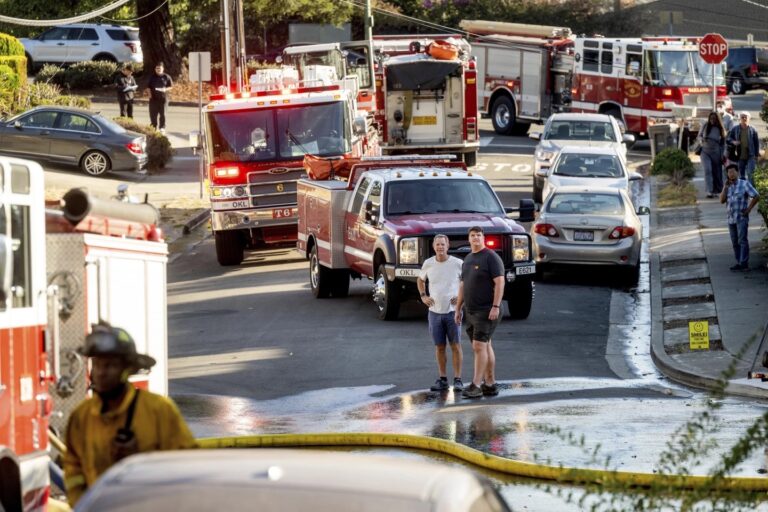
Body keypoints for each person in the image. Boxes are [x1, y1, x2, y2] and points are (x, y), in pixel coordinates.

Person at [63, 323, 196, 507]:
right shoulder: (81, 417)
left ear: (127, 369)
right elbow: (73, 472)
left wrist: (140, 459)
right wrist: (83, 505)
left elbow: (187, 465)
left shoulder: (158, 410)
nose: (101, 373)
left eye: (109, 365)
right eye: (97, 365)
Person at [454, 226, 505, 399]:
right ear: (468, 239)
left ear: (483, 238)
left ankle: (476, 385)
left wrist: (495, 306)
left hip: (487, 310)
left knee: (479, 346)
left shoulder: (491, 257)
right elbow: (463, 285)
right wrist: (458, 308)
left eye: (478, 235)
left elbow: (500, 282)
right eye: (472, 235)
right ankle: (490, 384)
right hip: (471, 311)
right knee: (485, 345)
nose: (475, 237)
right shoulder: (468, 259)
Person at [417, 234, 464, 392]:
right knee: (440, 347)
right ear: (433, 247)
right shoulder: (428, 263)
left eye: (443, 244)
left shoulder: (458, 263)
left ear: (448, 245)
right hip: (434, 312)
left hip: (452, 312)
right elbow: (420, 279)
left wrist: (461, 299)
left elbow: (467, 282)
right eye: (437, 244)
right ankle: (443, 379)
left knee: (455, 345)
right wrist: (423, 296)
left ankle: (458, 380)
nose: (440, 247)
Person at [720, 164, 760, 272]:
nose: (731, 174)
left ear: (737, 172)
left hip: (741, 218)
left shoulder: (744, 184)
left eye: (733, 172)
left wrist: (749, 209)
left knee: (742, 240)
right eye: (729, 172)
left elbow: (756, 195)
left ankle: (744, 263)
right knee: (735, 242)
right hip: (731, 219)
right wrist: (725, 187)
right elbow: (722, 201)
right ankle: (739, 262)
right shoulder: (727, 186)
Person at [727, 111, 761, 185]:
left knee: (751, 174)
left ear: (749, 119)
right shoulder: (735, 129)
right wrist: (733, 142)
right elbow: (728, 139)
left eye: (746, 117)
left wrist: (756, 155)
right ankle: (742, 190)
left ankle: (751, 190)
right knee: (741, 176)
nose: (744, 118)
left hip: (751, 155)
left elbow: (756, 143)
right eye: (742, 117)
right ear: (740, 118)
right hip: (739, 156)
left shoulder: (753, 129)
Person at [698, 111, 725, 198]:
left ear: (717, 119)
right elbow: (699, 136)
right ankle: (709, 191)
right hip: (705, 152)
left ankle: (716, 190)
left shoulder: (720, 128)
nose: (712, 120)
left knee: (716, 172)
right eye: (711, 119)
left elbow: (723, 143)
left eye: (714, 119)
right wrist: (701, 140)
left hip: (716, 153)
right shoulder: (705, 125)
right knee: (708, 170)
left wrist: (723, 155)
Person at [147, 62, 173, 134]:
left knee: (163, 114)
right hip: (153, 99)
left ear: (163, 69)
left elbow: (171, 86)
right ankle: (153, 127)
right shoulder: (152, 77)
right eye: (157, 68)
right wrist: (149, 95)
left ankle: (162, 127)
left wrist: (165, 89)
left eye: (159, 68)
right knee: (153, 115)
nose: (158, 69)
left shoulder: (167, 77)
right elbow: (148, 87)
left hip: (163, 99)